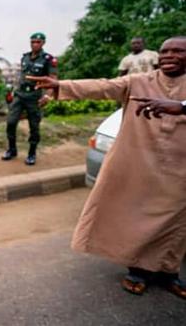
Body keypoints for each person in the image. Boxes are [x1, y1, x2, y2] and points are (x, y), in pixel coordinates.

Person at [27, 36, 186, 299]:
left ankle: (169, 272)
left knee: (175, 224)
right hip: (140, 164)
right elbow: (102, 86)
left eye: (177, 51)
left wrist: (180, 107)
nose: (168, 55)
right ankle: (137, 270)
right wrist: (61, 86)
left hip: (180, 170)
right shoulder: (139, 81)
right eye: (164, 51)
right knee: (135, 216)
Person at [1, 32, 57, 165]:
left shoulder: (48, 59)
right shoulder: (25, 57)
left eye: (38, 42)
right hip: (20, 95)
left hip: (34, 96)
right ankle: (12, 150)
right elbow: (22, 76)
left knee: (34, 126)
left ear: (43, 43)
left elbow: (53, 80)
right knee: (11, 122)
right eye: (33, 42)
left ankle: (32, 153)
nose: (35, 44)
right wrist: (13, 90)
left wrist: (47, 96)